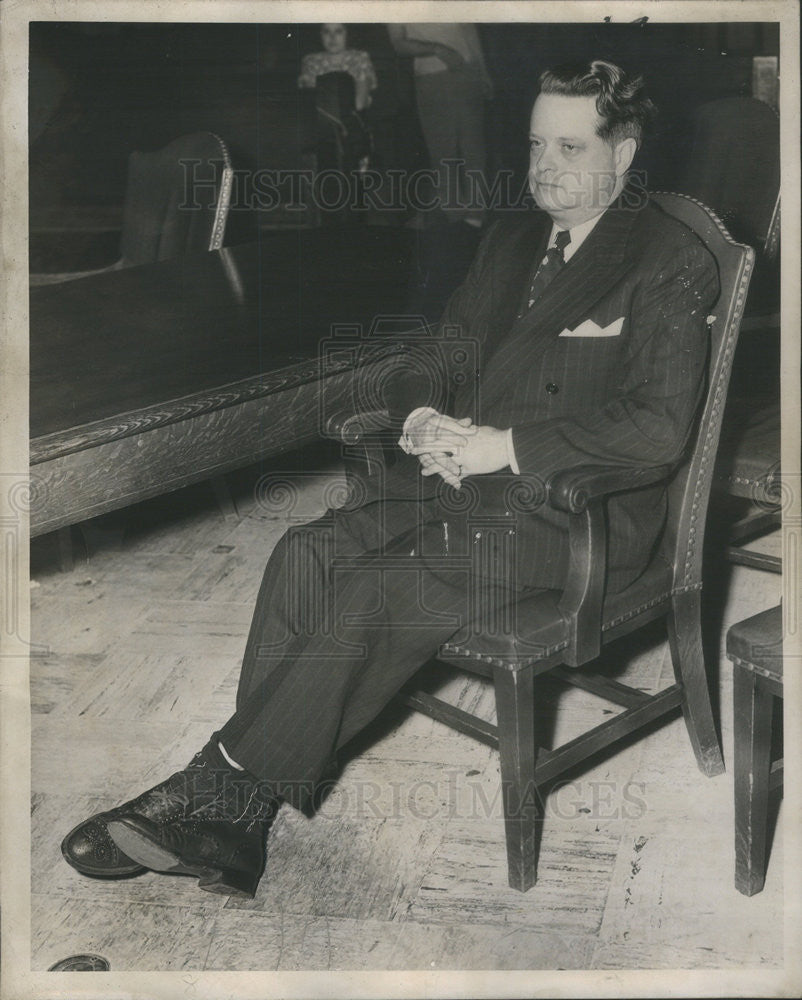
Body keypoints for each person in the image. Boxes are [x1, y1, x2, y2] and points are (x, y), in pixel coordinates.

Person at [61, 60, 719, 898]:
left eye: (568, 145)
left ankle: (215, 788)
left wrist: (503, 446)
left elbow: (658, 430)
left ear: (622, 155)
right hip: (463, 485)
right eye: (533, 143)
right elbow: (435, 354)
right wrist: (419, 418)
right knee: (306, 551)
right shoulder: (514, 239)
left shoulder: (669, 258)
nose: (543, 165)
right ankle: (238, 826)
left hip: (573, 515)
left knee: (378, 590)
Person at [387, 23, 492, 227]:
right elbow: (399, 43)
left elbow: (468, 28)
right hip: (432, 79)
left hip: (468, 72)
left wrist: (482, 71)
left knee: (474, 150)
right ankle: (454, 220)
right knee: (443, 153)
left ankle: (476, 218)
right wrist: (438, 49)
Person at [298, 23, 377, 112]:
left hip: (356, 119)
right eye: (326, 32)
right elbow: (311, 103)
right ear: (320, 35)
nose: (332, 37)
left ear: (347, 33)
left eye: (338, 31)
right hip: (321, 119)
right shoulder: (311, 61)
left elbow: (360, 103)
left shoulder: (360, 58)